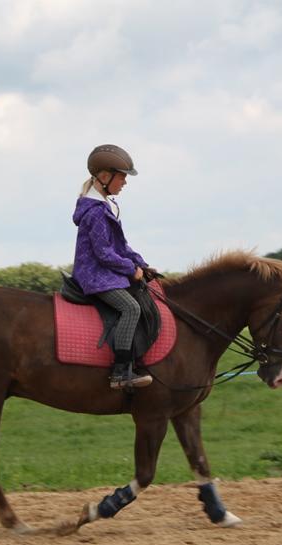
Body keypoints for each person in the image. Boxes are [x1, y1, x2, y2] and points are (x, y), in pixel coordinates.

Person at [71, 144, 156, 390]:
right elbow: (104, 253)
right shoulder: (96, 212)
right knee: (130, 308)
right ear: (105, 177)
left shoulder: (106, 207)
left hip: (104, 271)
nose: (125, 183)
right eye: (122, 177)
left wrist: (142, 264)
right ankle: (120, 373)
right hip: (94, 275)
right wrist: (130, 269)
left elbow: (121, 246)